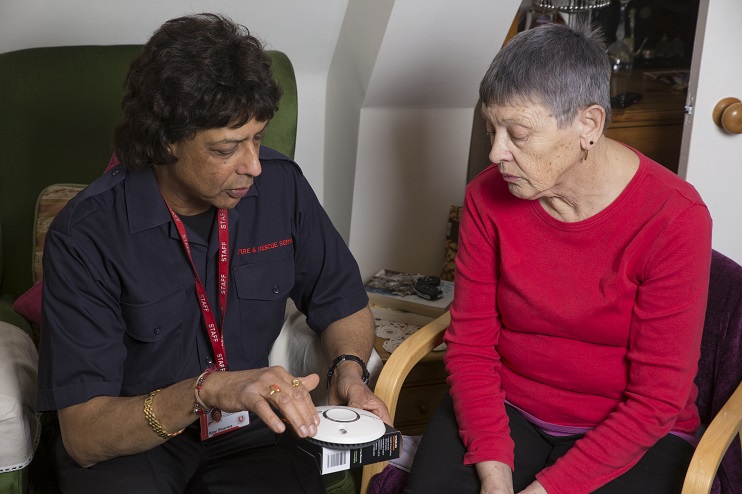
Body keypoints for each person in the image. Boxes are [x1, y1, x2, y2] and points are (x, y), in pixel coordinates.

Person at [36, 13, 390, 494]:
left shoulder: (283, 187)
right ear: (164, 141)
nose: (253, 167)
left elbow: (344, 303)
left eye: (258, 139)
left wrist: (346, 372)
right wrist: (207, 392)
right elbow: (84, 434)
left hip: (251, 432)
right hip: (133, 440)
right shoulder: (85, 234)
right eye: (226, 149)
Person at [405, 22, 712, 494]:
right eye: (492, 128)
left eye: (518, 134)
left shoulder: (675, 218)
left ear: (587, 124)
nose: (495, 152)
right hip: (509, 407)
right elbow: (470, 348)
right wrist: (494, 472)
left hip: (632, 431)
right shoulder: (487, 198)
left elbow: (656, 400)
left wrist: (547, 489)